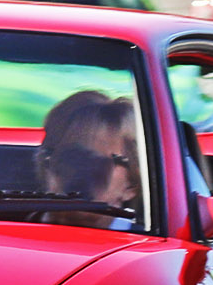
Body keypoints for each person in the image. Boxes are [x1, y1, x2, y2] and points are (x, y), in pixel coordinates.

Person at [34, 89, 140, 227]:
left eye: (97, 163)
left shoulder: (145, 239)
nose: (78, 172)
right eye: (67, 158)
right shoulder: (13, 228)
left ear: (131, 186)